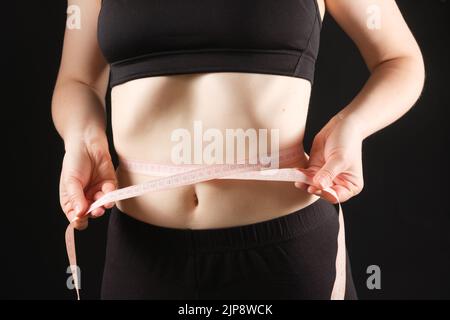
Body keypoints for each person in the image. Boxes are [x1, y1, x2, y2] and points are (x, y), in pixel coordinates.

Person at [52, 0, 424, 299]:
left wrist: (351, 126)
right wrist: (81, 137)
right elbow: (78, 79)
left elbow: (399, 59)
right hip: (140, 255)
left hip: (283, 255)